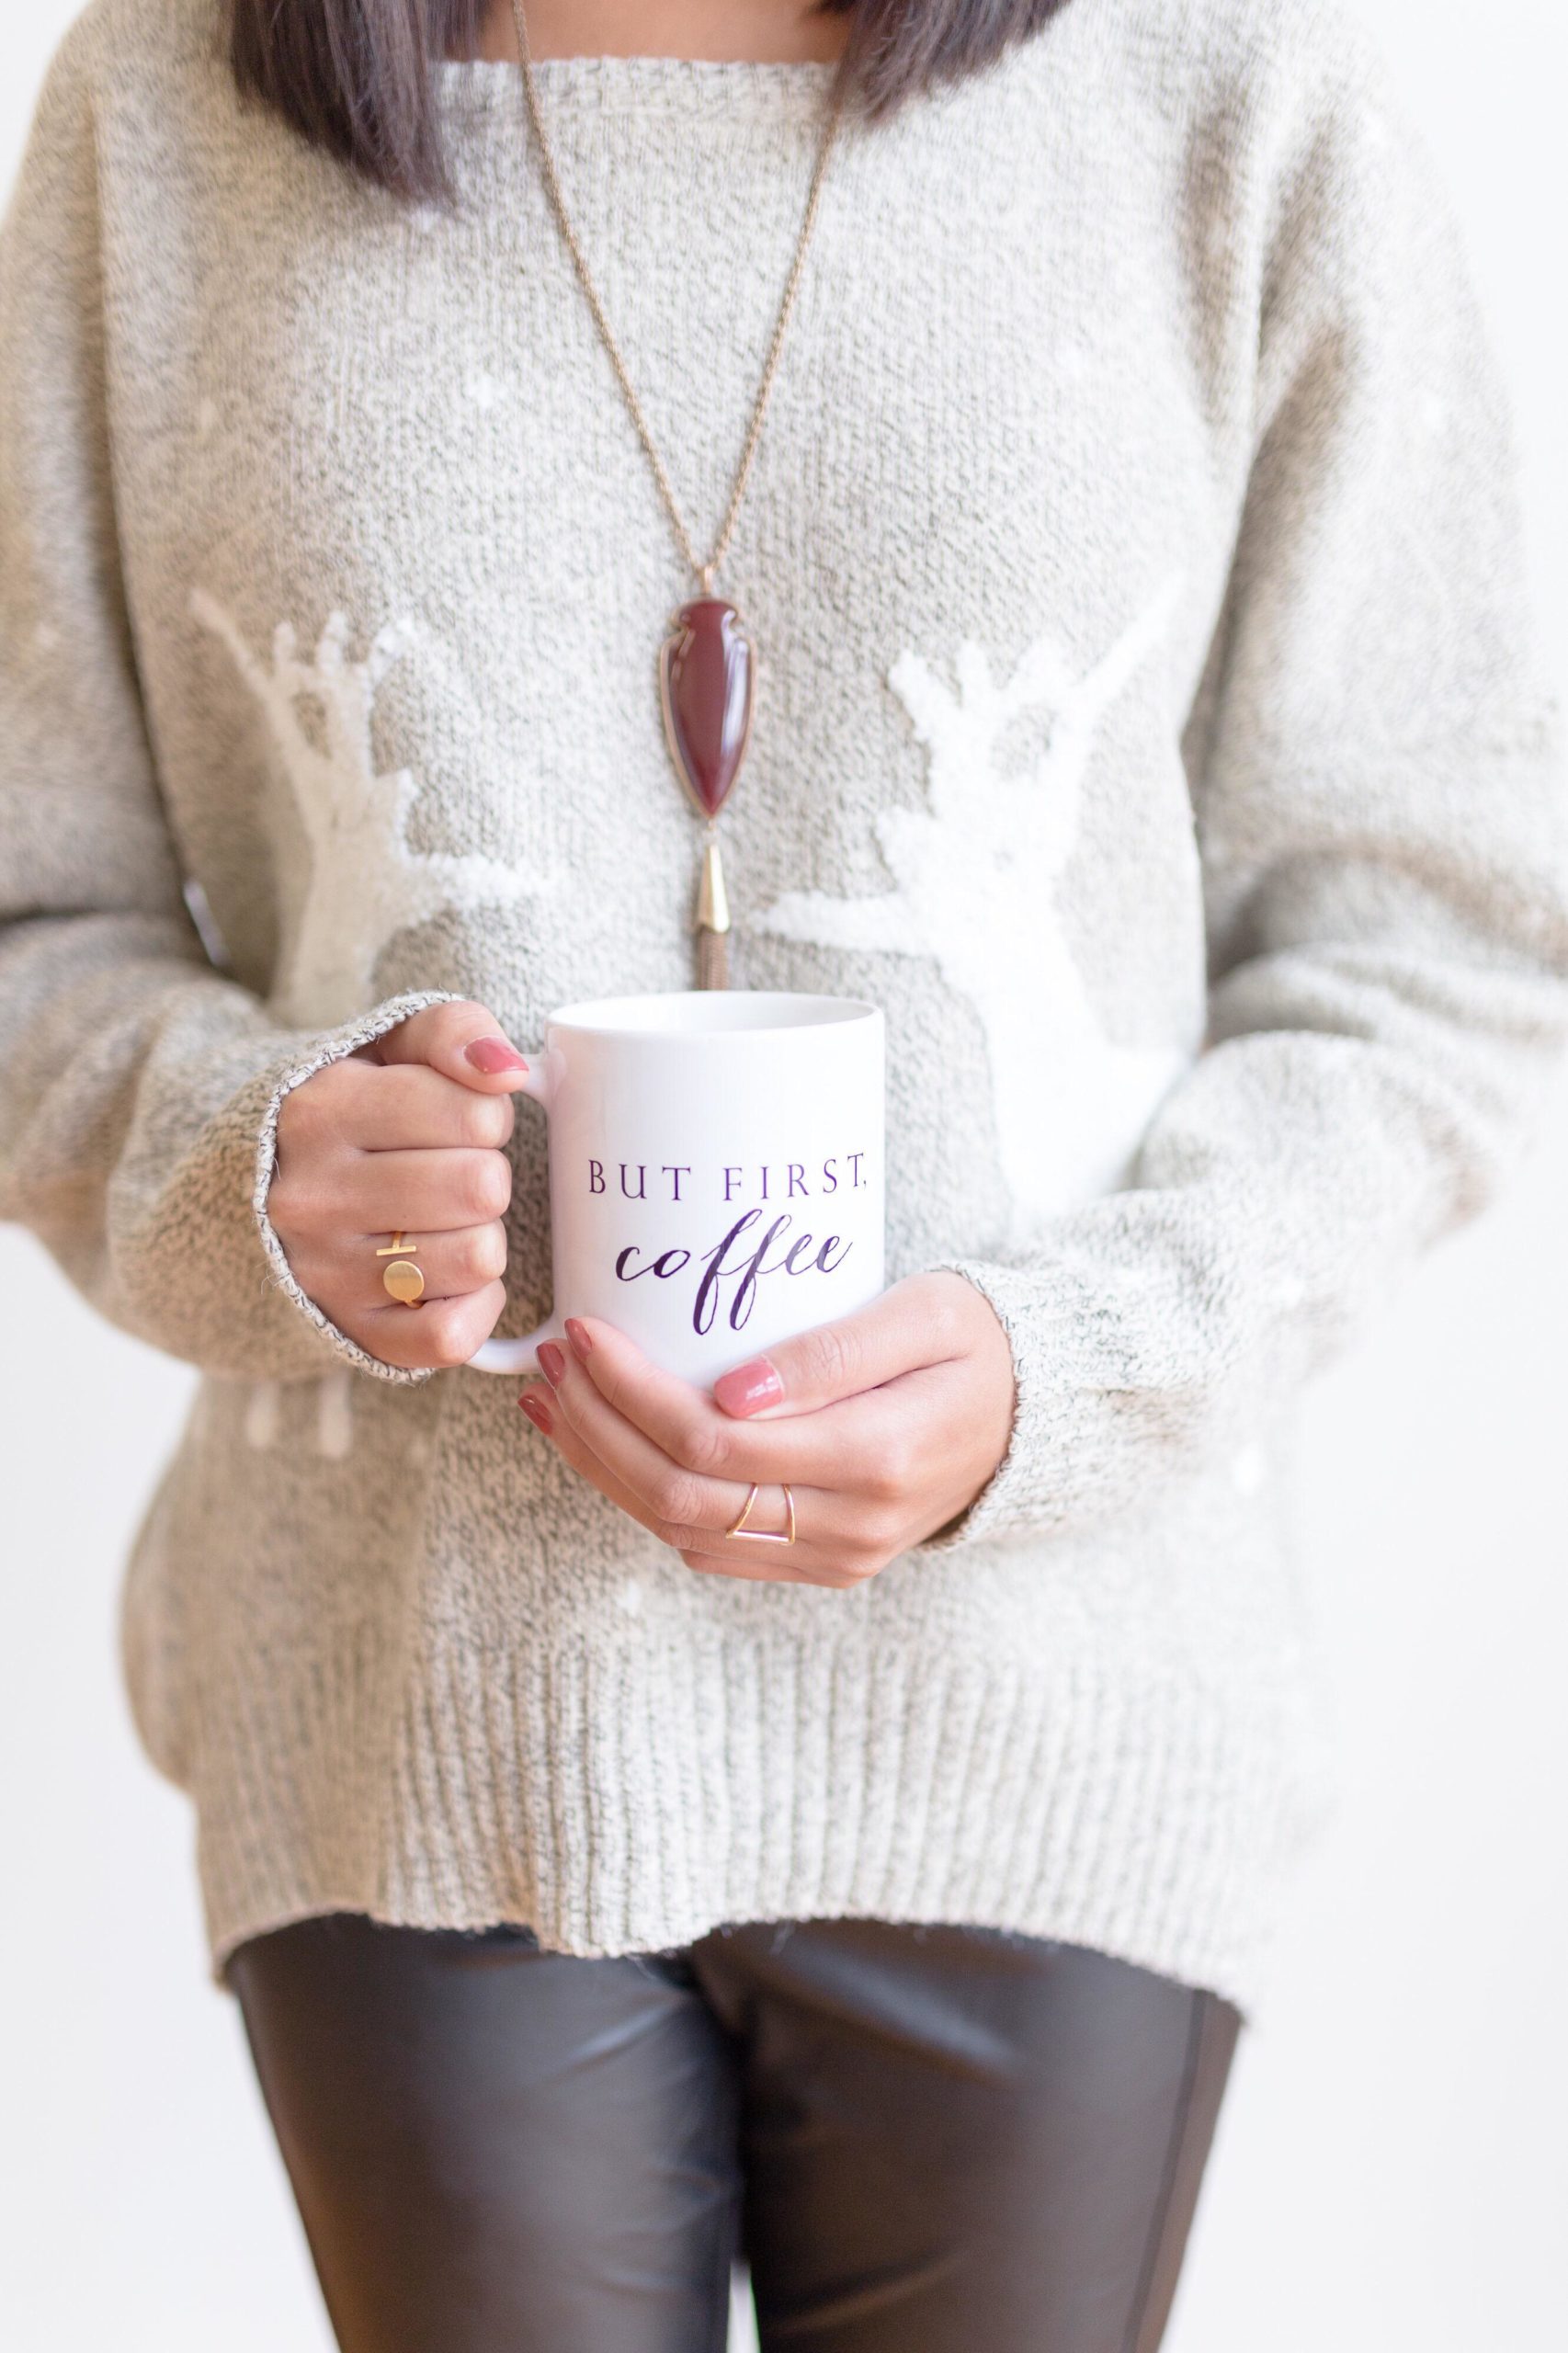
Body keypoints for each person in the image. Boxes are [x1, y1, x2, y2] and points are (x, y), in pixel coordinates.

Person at [1, 0, 1562, 2344]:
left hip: (1049, 1710)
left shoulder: (1223, 91)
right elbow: (39, 918)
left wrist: (1066, 1372)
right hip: (411, 1702)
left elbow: (1440, 937)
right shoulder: (162, 109)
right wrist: (256, 1157)